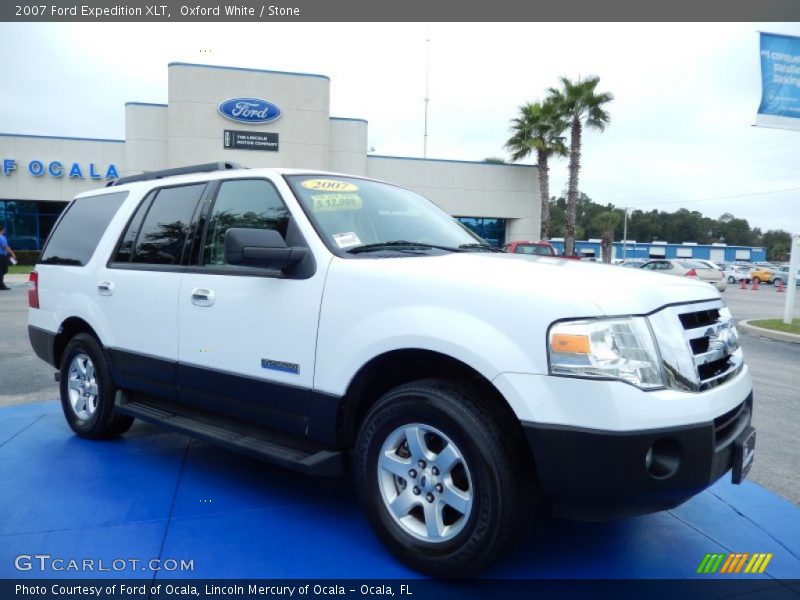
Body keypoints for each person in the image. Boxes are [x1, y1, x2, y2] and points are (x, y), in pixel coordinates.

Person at [0, 223, 17, 291]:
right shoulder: (1, 237)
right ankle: (1, 285)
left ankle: (1, 284)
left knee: (1, 270)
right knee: (3, 270)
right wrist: (12, 254)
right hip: (1, 256)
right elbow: (5, 247)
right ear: (3, 229)